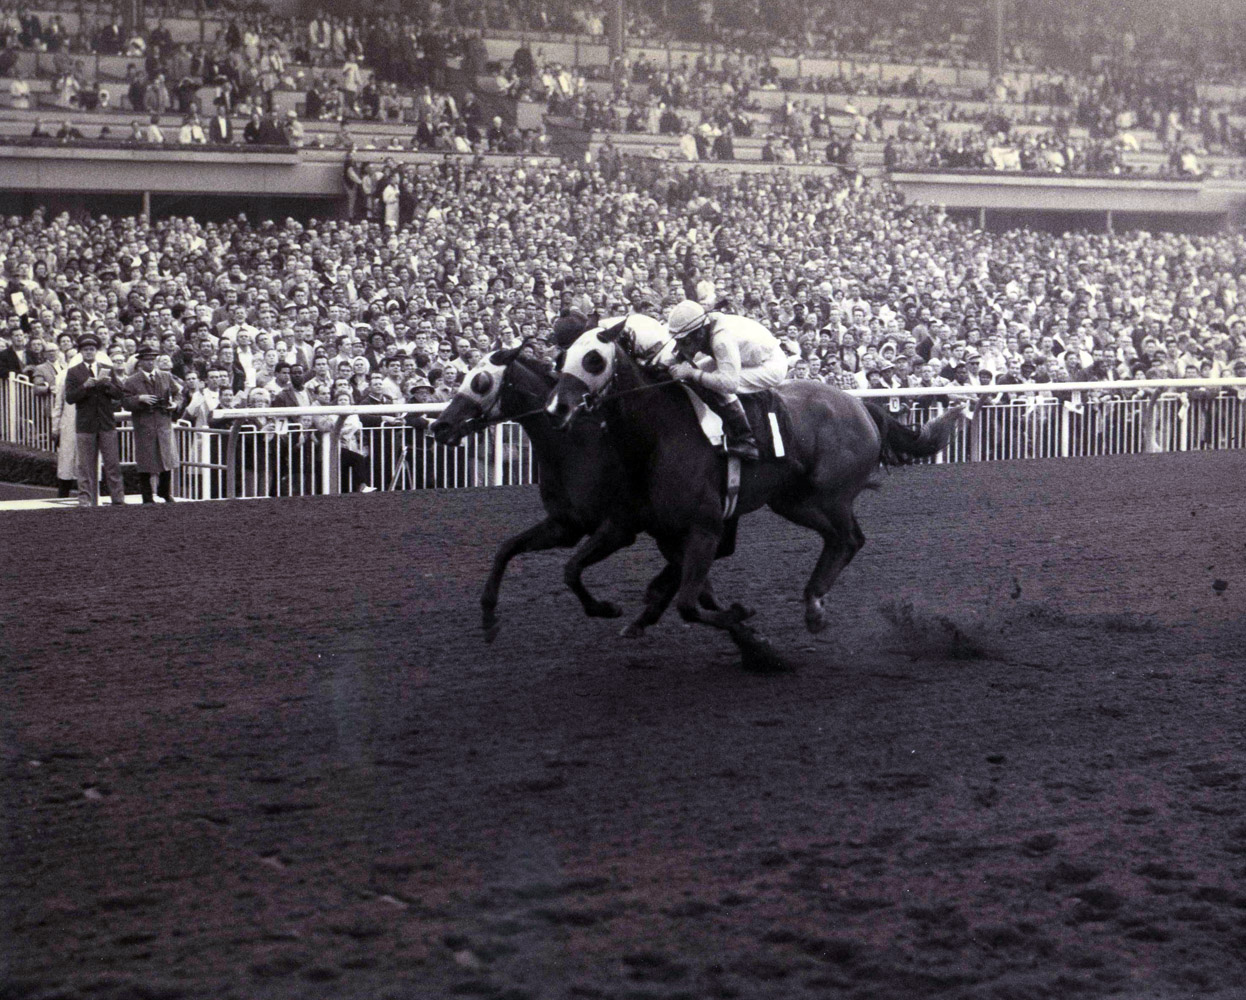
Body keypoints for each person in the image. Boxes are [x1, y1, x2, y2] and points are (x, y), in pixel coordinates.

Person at [664, 299, 789, 460]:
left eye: (684, 342)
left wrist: (691, 373)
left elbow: (729, 383)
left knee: (713, 383)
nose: (681, 347)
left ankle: (747, 440)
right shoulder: (707, 326)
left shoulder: (721, 341)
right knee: (702, 374)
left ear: (699, 333)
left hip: (770, 365)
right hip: (747, 358)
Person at [63, 333, 126, 507]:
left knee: (112, 463)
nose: (89, 352)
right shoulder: (74, 372)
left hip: (106, 422)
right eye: (85, 350)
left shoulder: (107, 368)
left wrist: (107, 385)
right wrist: (85, 386)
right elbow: (69, 397)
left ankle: (118, 499)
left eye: (92, 349)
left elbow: (119, 393)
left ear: (96, 351)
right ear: (81, 352)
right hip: (85, 425)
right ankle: (85, 500)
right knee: (85, 466)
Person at [122, 345, 182, 503]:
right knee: (146, 461)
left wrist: (174, 404)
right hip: (145, 425)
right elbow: (125, 401)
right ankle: (147, 496)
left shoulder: (165, 376)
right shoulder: (131, 381)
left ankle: (164, 492)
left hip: (163, 423)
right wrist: (139, 399)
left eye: (152, 359)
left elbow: (178, 394)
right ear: (140, 362)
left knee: (166, 459)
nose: (150, 362)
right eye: (146, 360)